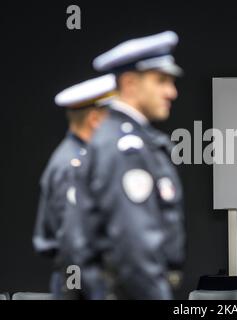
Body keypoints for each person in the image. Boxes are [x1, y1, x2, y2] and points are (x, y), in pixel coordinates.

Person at [73, 31, 185, 299]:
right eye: (161, 81)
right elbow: (134, 246)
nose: (172, 92)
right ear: (131, 83)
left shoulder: (126, 138)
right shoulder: (125, 147)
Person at [33, 74, 116, 299]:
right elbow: (73, 246)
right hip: (78, 281)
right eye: (112, 117)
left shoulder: (83, 159)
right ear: (95, 120)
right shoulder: (72, 166)